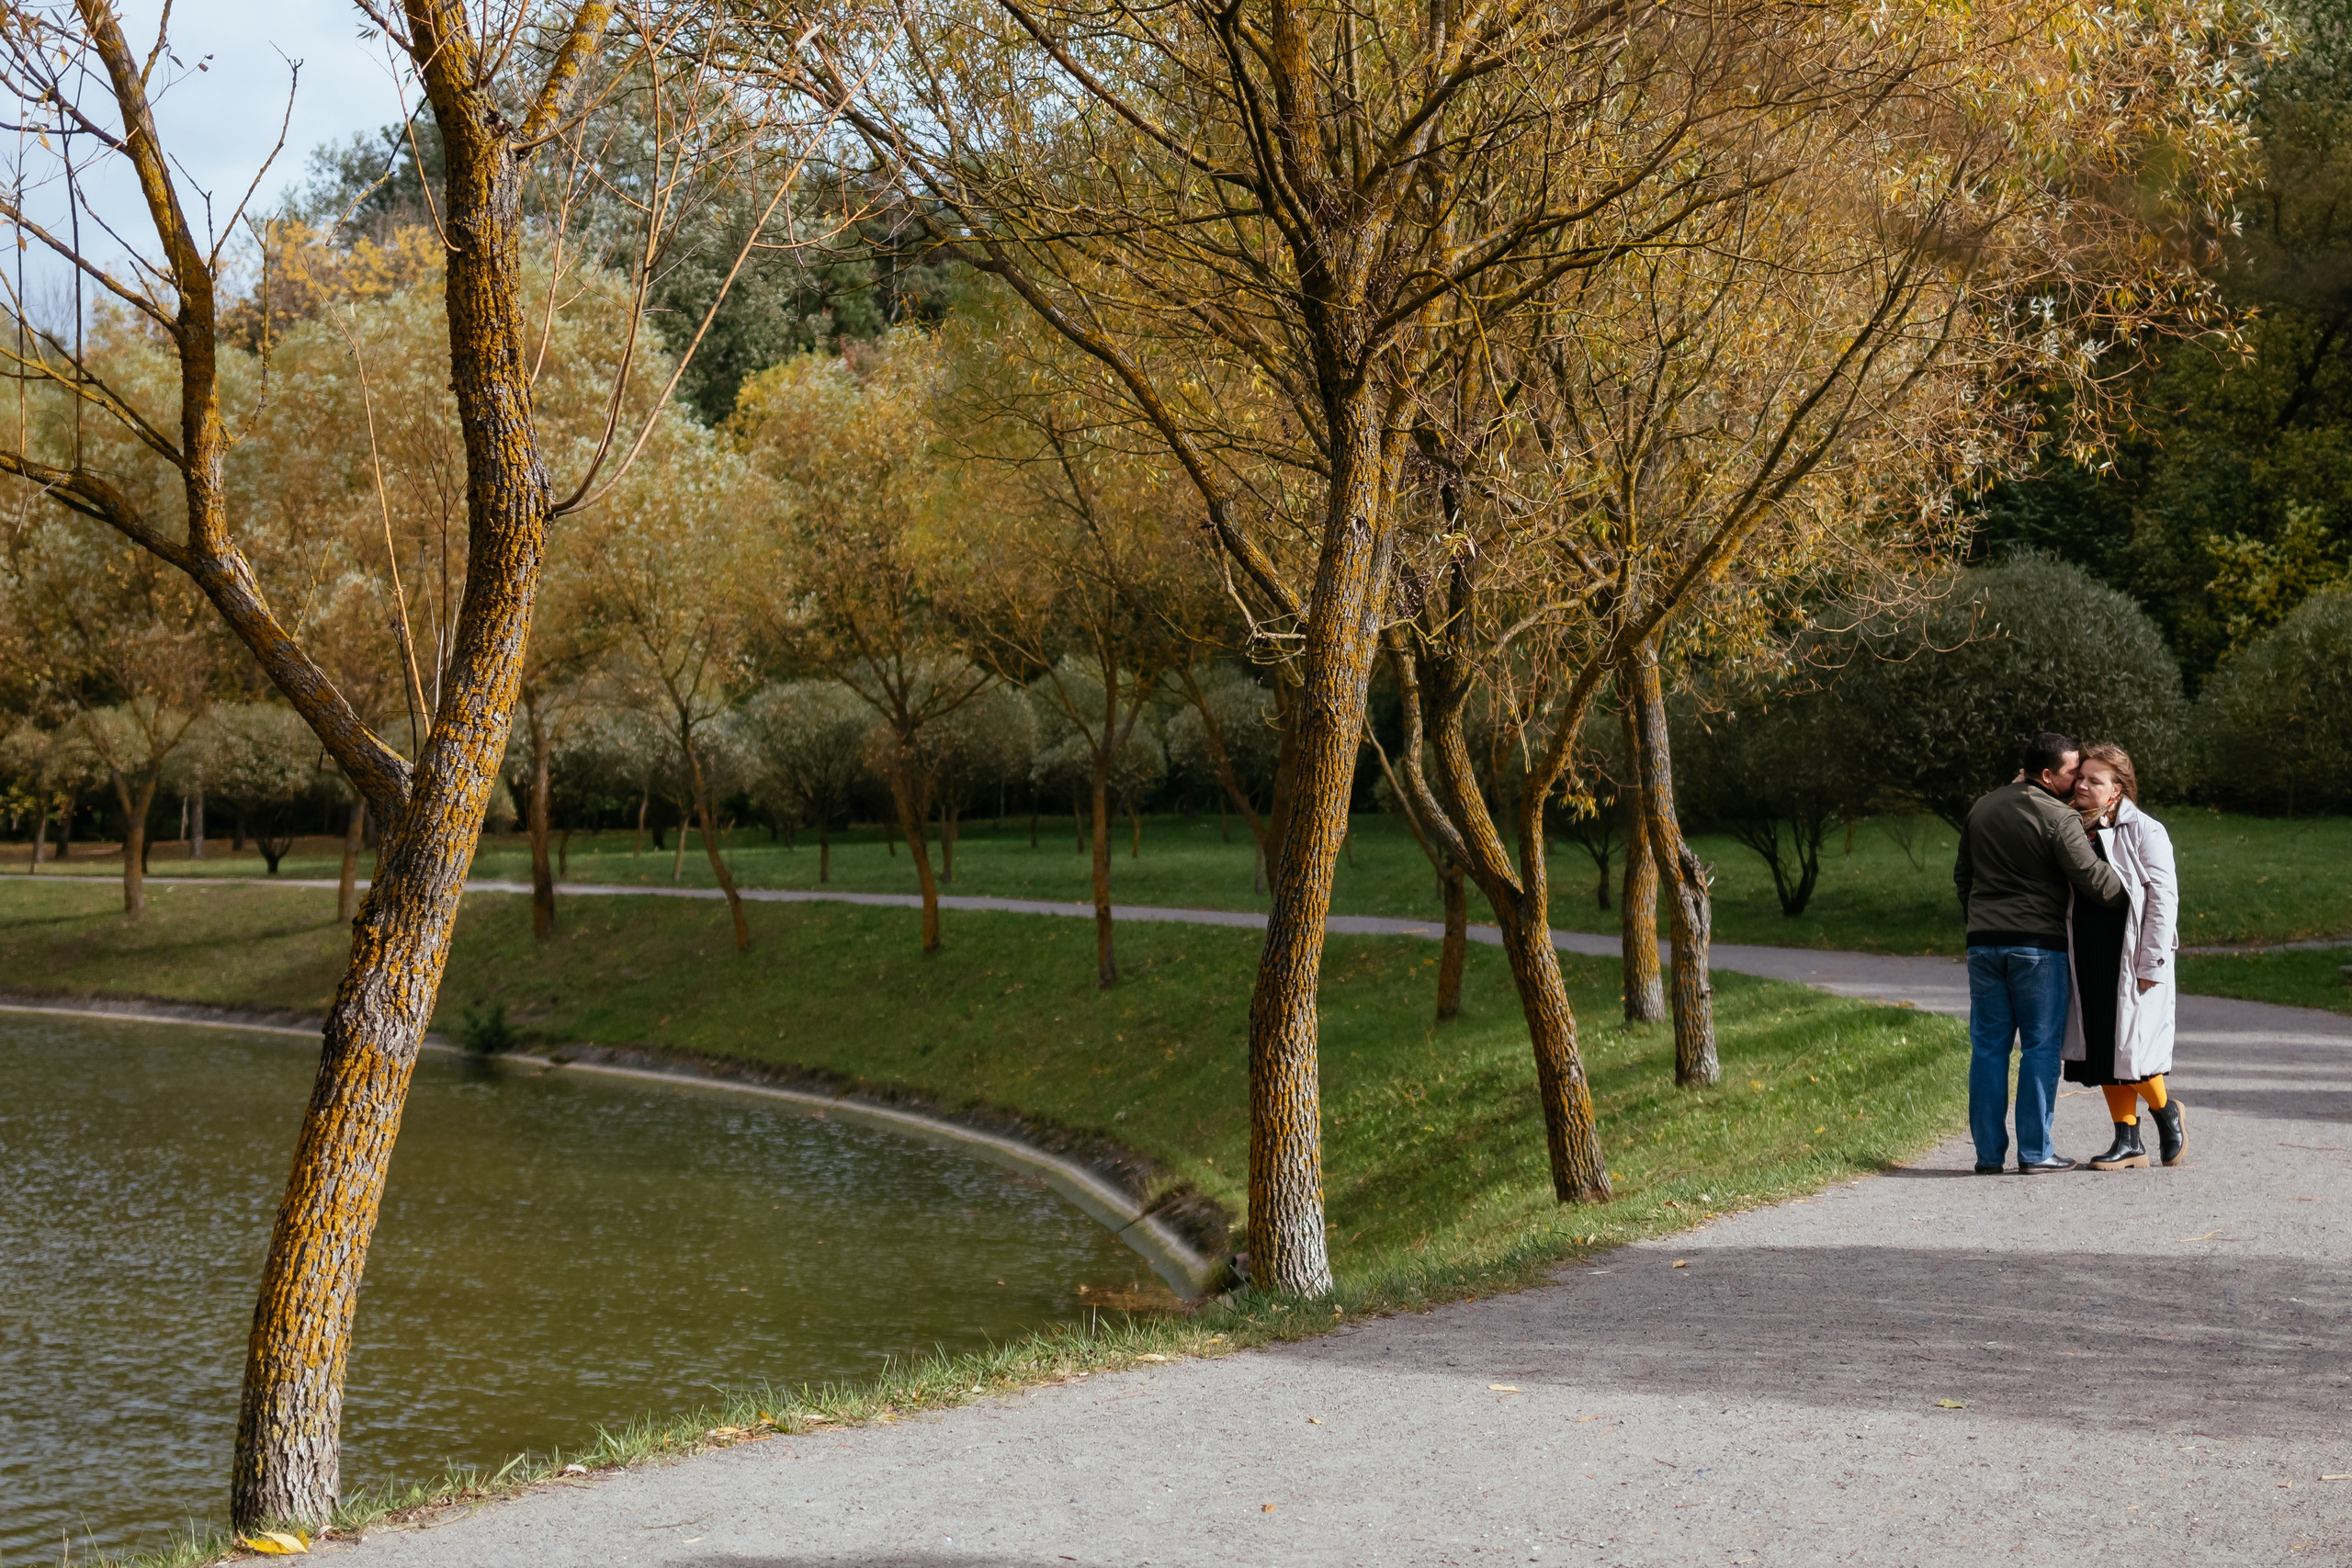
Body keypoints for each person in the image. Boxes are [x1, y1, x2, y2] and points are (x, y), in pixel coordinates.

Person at [1954, 732, 2126, 1174]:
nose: (2079, 779)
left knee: (1988, 1049)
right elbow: (2095, 882)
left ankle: (1988, 1156)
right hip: (2037, 947)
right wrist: (2135, 886)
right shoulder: (2057, 816)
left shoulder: (1982, 806)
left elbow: (1963, 878)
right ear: (2049, 775)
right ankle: (2036, 1152)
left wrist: (1981, 920)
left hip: (1983, 946)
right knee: (2040, 1048)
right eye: (2073, 771)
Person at [2064, 742, 2185, 1169]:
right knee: (2102, 1046)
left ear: (2117, 790)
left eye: (2093, 780)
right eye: (2080, 778)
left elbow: (2162, 900)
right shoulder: (2071, 827)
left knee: (2131, 1049)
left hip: (2130, 953)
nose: (2081, 785)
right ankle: (2127, 1140)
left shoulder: (2147, 831)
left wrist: (2153, 960)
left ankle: (2165, 1110)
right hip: (2087, 950)